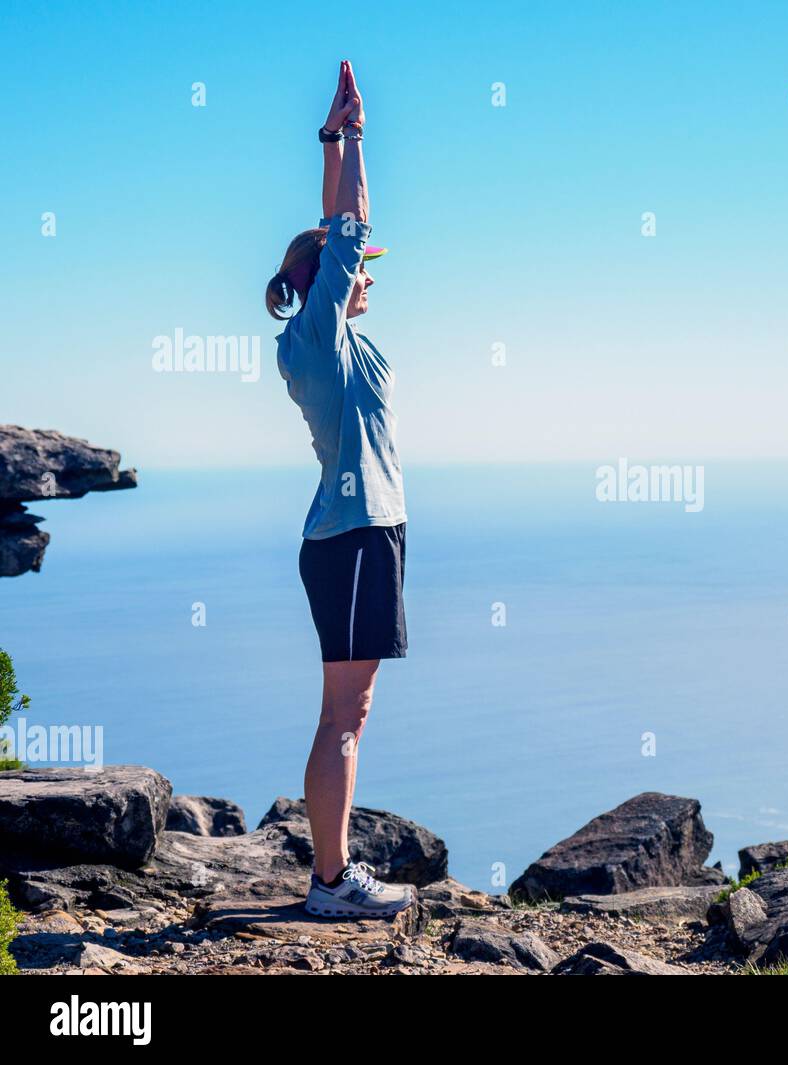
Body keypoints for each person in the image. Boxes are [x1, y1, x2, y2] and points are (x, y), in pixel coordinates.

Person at [265, 61, 412, 918]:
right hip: (354, 538)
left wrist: (338, 140)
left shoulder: (336, 343)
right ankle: (330, 883)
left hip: (360, 534)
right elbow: (347, 225)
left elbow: (343, 234)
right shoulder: (317, 340)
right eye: (361, 268)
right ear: (329, 277)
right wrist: (350, 137)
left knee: (346, 715)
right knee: (344, 719)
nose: (372, 273)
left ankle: (333, 874)